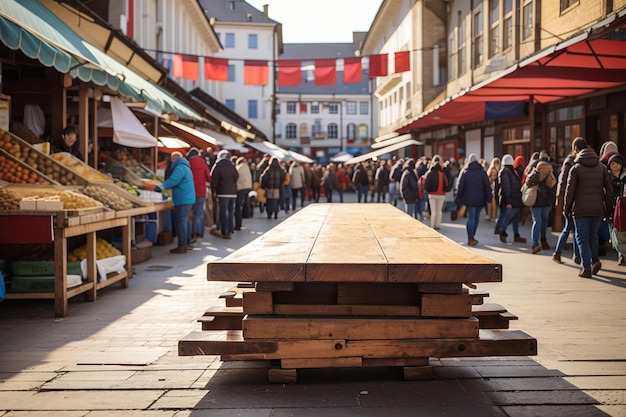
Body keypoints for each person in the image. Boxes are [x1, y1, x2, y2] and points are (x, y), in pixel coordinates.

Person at [563, 137, 613, 278]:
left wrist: (566, 210)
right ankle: (595, 260)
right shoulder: (602, 168)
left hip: (580, 210)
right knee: (593, 236)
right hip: (597, 209)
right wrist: (607, 207)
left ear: (576, 150)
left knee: (581, 238)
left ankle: (586, 267)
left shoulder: (576, 168)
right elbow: (609, 190)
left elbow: (569, 192)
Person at [154, 151, 195, 254]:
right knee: (185, 221)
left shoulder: (180, 168)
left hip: (183, 199)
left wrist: (160, 187)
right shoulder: (186, 167)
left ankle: (182, 246)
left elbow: (173, 180)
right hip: (187, 198)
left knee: (182, 222)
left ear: (174, 159)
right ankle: (187, 243)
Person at [552, 140, 581, 264]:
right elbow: (563, 182)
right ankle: (558, 253)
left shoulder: (575, 161)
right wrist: (563, 201)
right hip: (569, 200)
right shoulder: (570, 161)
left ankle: (576, 255)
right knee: (569, 227)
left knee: (574, 229)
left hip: (575, 200)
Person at [455, 153, 492, 246]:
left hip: (469, 199)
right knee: (476, 218)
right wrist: (489, 198)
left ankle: (470, 237)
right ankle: (473, 235)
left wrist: (458, 198)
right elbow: (487, 186)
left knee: (471, 217)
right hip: (480, 199)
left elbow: (460, 187)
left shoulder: (465, 172)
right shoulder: (482, 172)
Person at [524, 156, 557, 254]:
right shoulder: (550, 175)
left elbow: (527, 183)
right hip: (546, 203)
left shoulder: (535, 174)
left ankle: (535, 243)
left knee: (537, 222)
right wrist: (551, 201)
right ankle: (543, 241)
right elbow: (553, 189)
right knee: (544, 222)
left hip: (536, 202)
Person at [497, 154, 526, 244]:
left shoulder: (508, 171)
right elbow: (506, 187)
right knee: (508, 216)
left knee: (515, 218)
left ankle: (516, 235)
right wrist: (508, 201)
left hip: (514, 199)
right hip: (512, 200)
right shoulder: (507, 172)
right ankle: (502, 232)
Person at [210, 150, 239, 239]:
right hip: (233, 193)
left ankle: (224, 231)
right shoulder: (232, 165)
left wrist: (214, 190)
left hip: (222, 192)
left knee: (223, 212)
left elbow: (213, 179)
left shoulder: (218, 165)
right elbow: (236, 176)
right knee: (230, 212)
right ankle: (230, 230)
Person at [187, 148, 212, 243]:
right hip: (201, 191)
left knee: (190, 213)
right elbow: (209, 178)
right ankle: (199, 231)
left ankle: (192, 232)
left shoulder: (188, 163)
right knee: (199, 212)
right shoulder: (203, 163)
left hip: (190, 190)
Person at [607, 153, 626, 265]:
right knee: (613, 233)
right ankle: (620, 253)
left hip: (623, 208)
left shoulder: (625, 176)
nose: (615, 166)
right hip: (612, 208)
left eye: (617, 163)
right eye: (613, 163)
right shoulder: (607, 177)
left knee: (622, 232)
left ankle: (621, 256)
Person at [423, 155, 450, 230]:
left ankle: (432, 225)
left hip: (432, 194)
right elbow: (447, 183)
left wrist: (428, 191)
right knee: (439, 211)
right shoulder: (443, 174)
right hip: (441, 194)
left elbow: (426, 184)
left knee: (433, 211)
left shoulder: (430, 173)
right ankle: (437, 225)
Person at [235, 157, 252, 231]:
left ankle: (238, 224)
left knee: (238, 206)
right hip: (248, 187)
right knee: (246, 203)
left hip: (240, 188)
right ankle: (246, 214)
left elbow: (235, 177)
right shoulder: (247, 167)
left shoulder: (239, 167)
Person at [487, 157, 501, 223]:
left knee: (494, 203)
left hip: (495, 188)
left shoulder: (498, 170)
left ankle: (493, 216)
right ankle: (491, 216)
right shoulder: (492, 170)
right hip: (492, 187)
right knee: (491, 203)